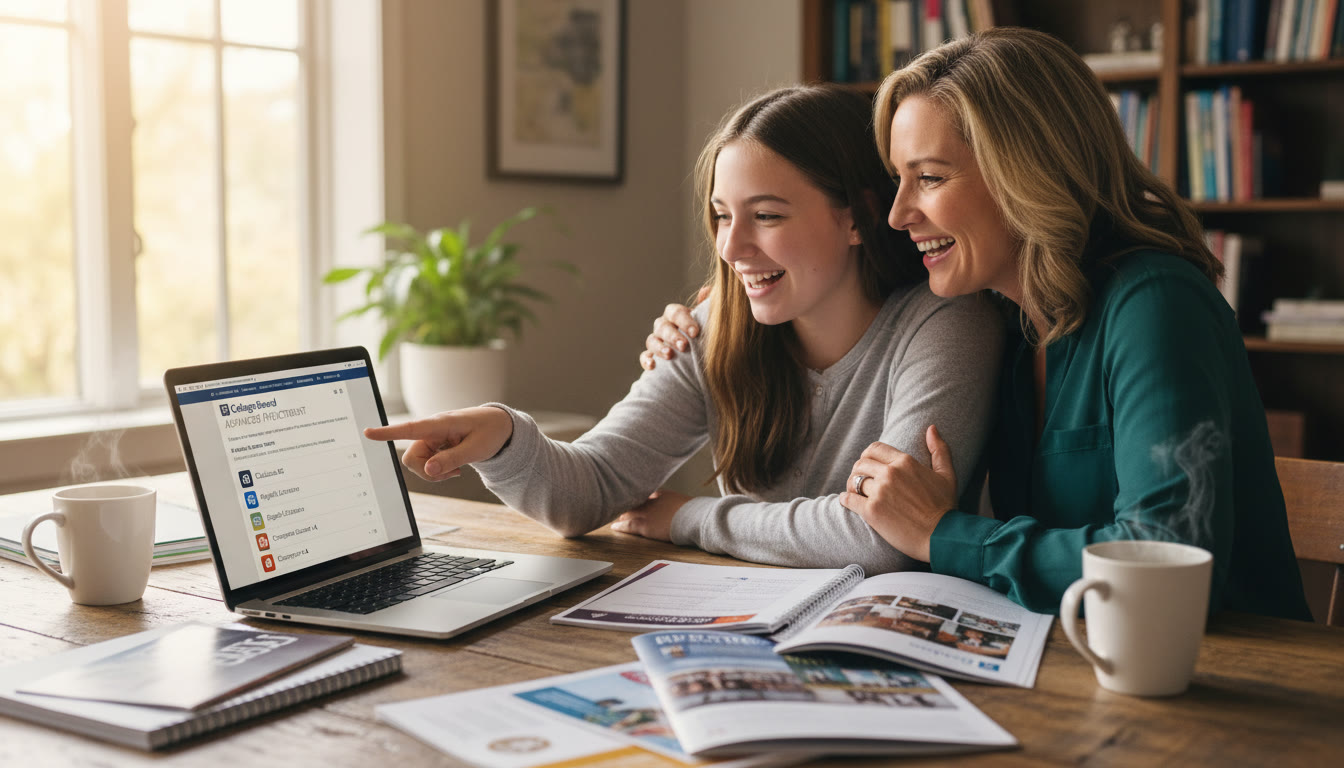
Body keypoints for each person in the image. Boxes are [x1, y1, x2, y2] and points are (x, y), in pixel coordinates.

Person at [641, 29, 1311, 620]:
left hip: (1228, 685)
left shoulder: (1155, 303)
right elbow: (847, 296)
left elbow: (1166, 556)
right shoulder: (1007, 319)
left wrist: (944, 534)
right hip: (1077, 666)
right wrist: (713, 314)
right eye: (897, 182)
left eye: (928, 178)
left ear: (1026, 174)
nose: (898, 214)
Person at [365, 85, 1003, 574]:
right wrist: (504, 437)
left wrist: (692, 518)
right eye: (722, 216)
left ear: (859, 218)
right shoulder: (716, 326)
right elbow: (585, 494)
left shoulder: (947, 323)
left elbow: (881, 535)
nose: (733, 247)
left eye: (768, 216)